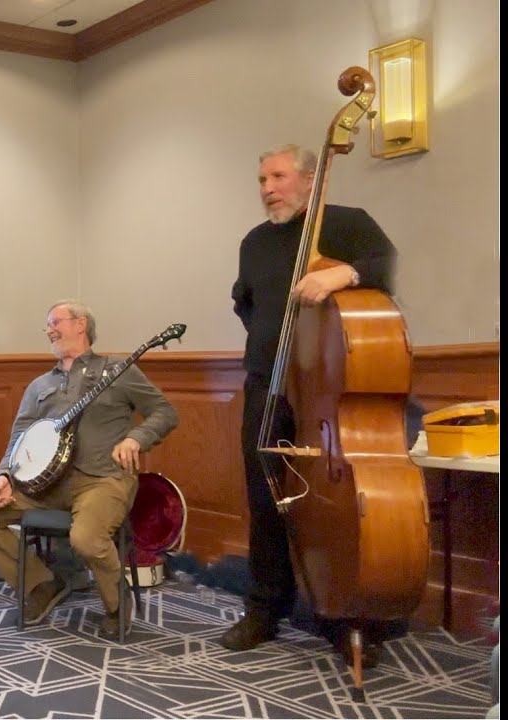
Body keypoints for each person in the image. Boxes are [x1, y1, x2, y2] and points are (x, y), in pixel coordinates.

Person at [224, 144, 399, 665]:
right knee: (265, 496)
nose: (267, 188)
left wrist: (338, 275)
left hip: (329, 387)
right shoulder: (254, 242)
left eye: (277, 176)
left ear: (308, 178)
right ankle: (264, 607)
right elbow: (245, 301)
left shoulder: (344, 224)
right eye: (261, 179)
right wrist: (270, 350)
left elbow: (384, 265)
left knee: (332, 500)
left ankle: (346, 611)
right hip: (268, 385)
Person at [0, 300, 179, 636]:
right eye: (47, 325)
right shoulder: (38, 386)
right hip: (42, 486)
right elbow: (19, 436)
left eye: (55, 322)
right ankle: (41, 584)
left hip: (102, 481)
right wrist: (3, 475)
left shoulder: (118, 371)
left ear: (81, 324)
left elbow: (165, 413)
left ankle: (116, 602)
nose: (49, 330)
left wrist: (136, 438)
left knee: (86, 539)